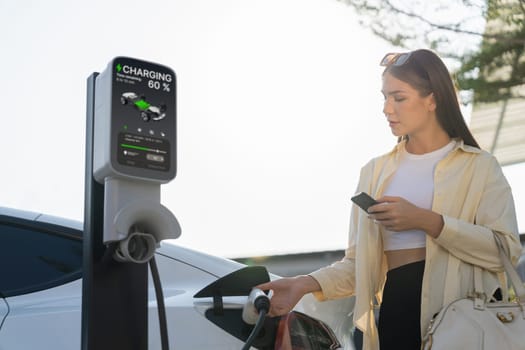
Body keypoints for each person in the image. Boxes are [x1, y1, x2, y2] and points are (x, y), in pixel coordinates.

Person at [257, 49, 522, 350]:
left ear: (432, 99)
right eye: (384, 97)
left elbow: (506, 251)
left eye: (399, 98)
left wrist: (427, 221)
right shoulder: (374, 172)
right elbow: (359, 265)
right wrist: (303, 283)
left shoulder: (479, 166)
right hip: (396, 316)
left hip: (466, 323)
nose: (386, 108)